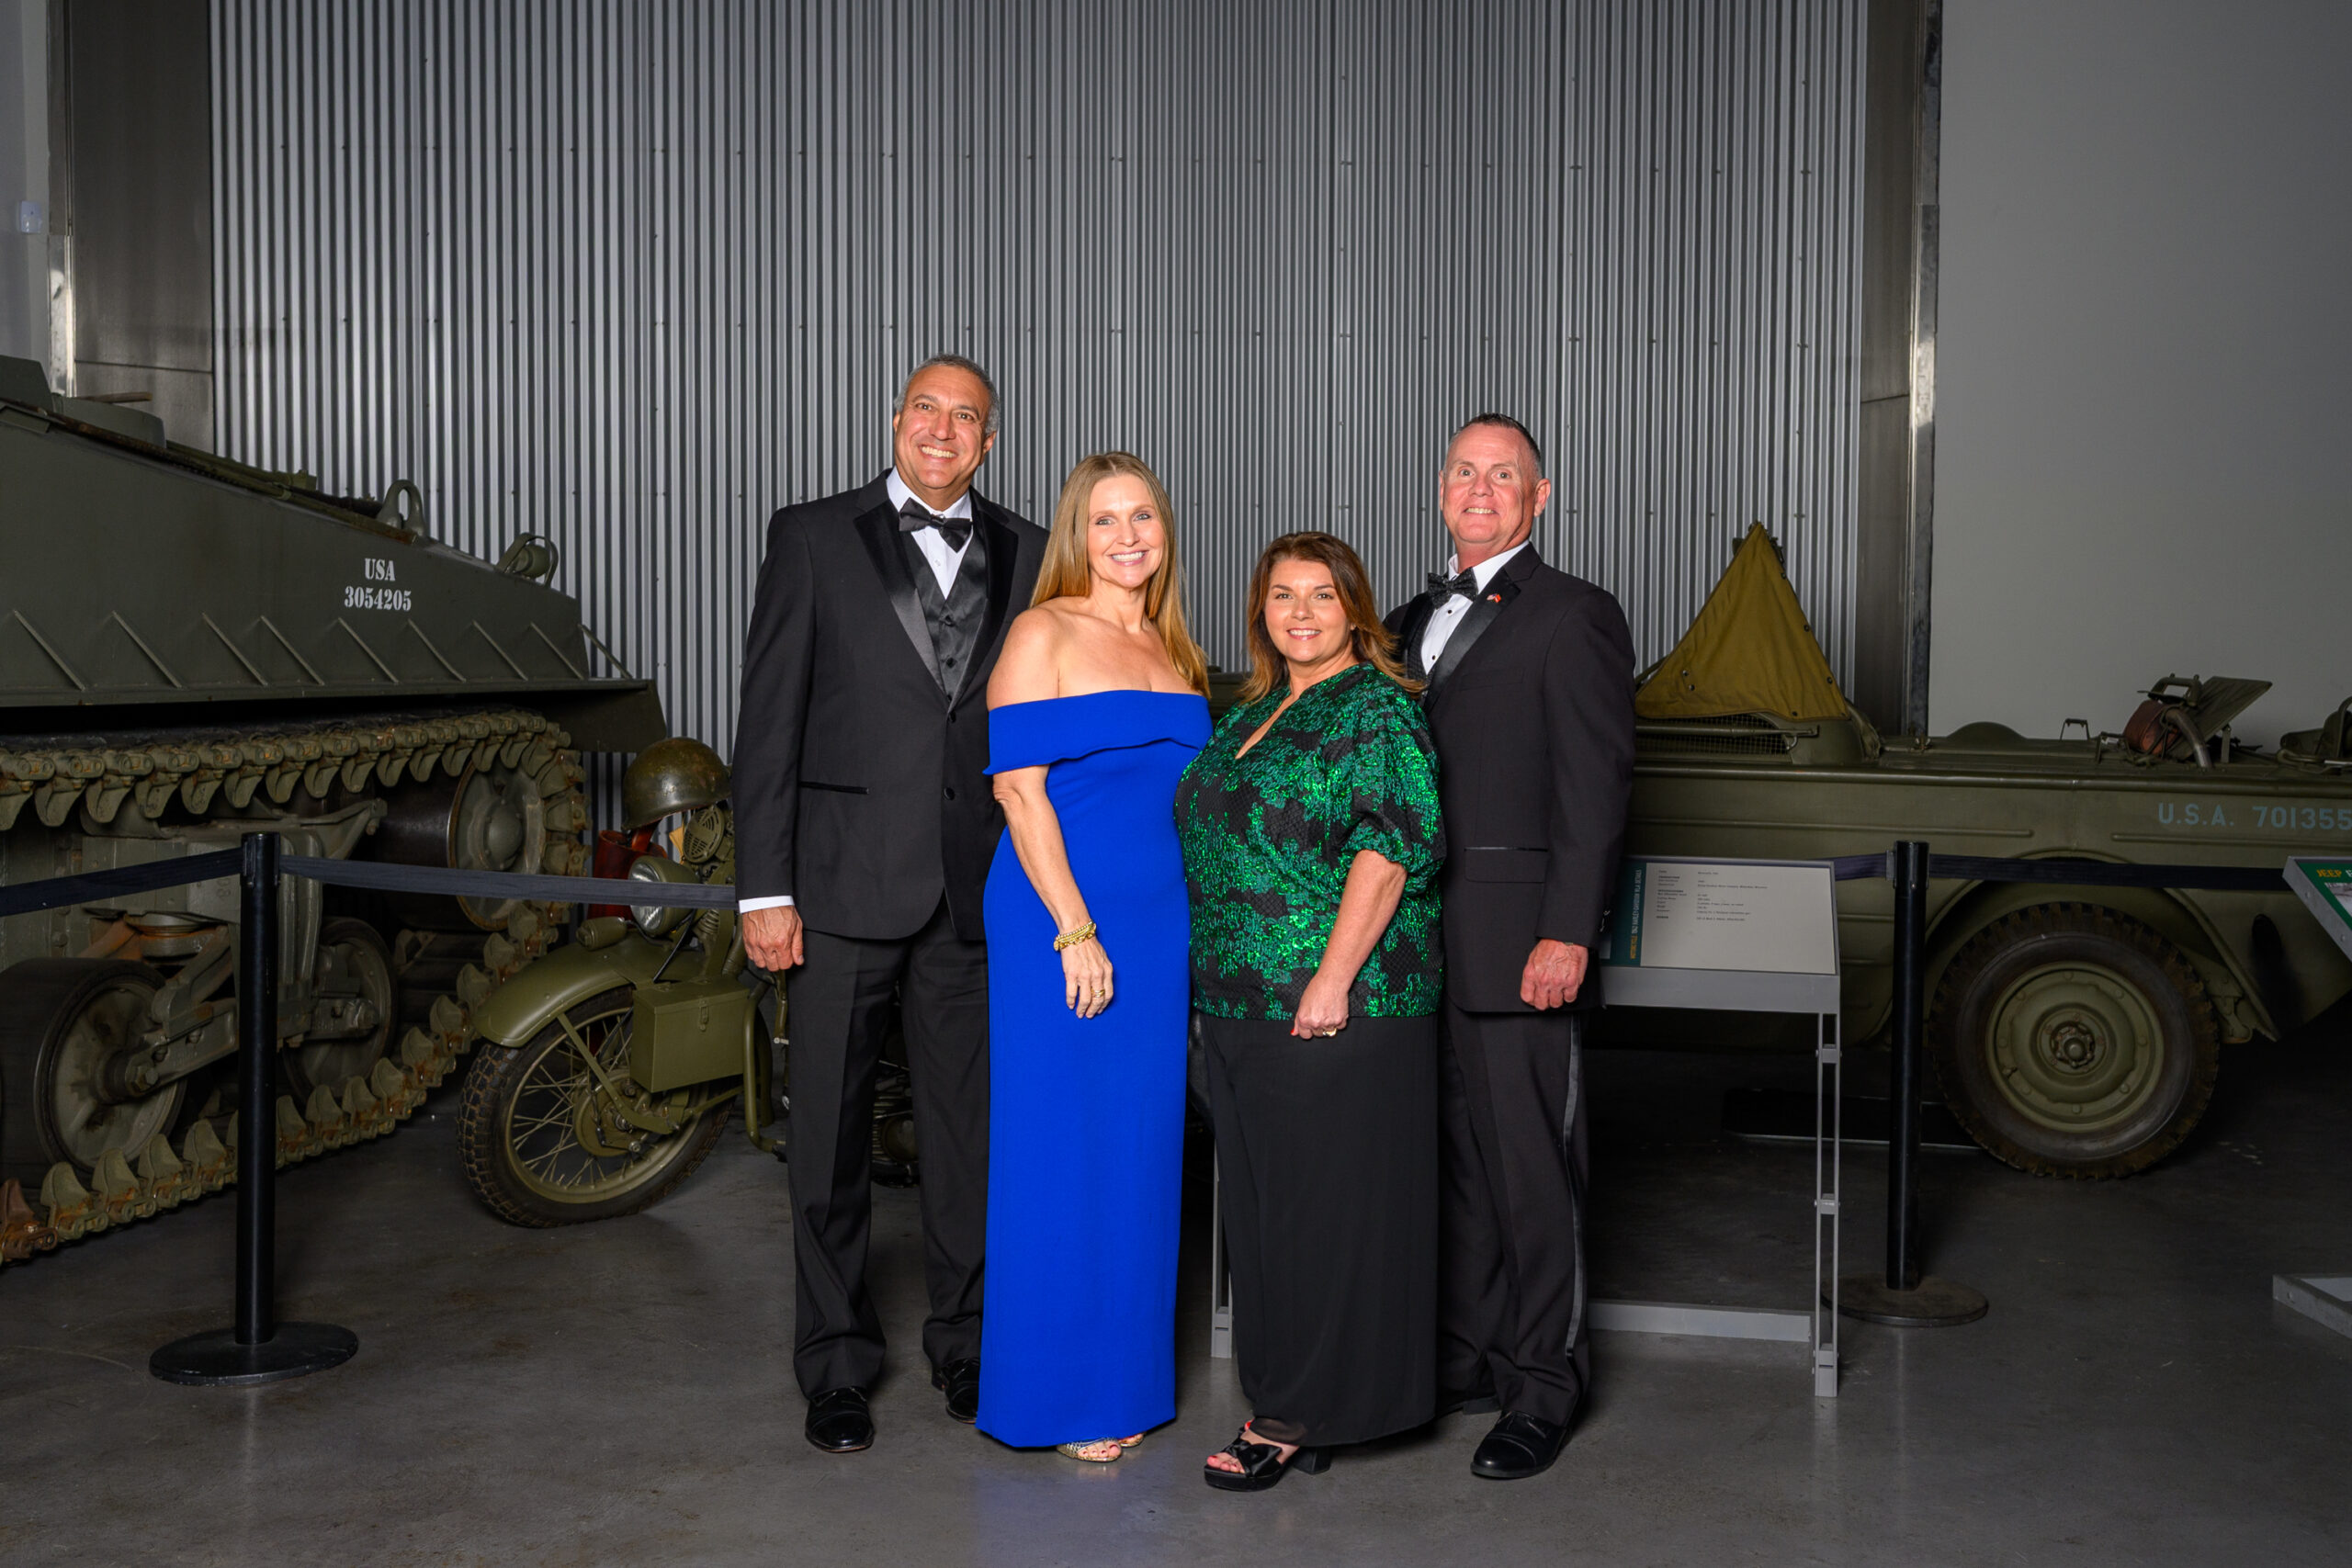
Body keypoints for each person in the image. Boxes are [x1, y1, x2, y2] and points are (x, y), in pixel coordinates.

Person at [734, 355, 1048, 1455]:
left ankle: (970, 1348)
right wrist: (764, 888)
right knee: (825, 1138)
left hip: (976, 896)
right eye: (927, 408)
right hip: (837, 890)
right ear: (897, 419)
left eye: (966, 417)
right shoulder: (812, 536)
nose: (942, 429)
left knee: (971, 1142)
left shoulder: (1033, 552)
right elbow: (768, 721)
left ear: (989, 442)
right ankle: (833, 1364)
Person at [1384, 412, 1634, 1482]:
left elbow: (1595, 786)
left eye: (1503, 474)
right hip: (1415, 949)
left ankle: (1542, 1387)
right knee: (1452, 1168)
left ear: (1540, 496)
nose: (1479, 490)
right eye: (1463, 472)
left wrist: (1566, 931)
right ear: (1440, 489)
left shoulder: (1575, 614)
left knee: (1532, 1176)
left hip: (1519, 943)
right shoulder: (1402, 619)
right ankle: (1470, 1359)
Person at [1175, 530, 1445, 1493]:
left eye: (1322, 595)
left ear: (1354, 611)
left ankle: (1290, 1417)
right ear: (1261, 611)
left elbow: (1391, 847)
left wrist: (1331, 978)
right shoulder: (1251, 709)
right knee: (1263, 1219)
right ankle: (1300, 1396)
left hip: (1334, 1005)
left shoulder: (1376, 708)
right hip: (1238, 1003)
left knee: (1320, 1219)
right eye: (1283, 594)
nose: (1300, 612)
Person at [977, 452, 1212, 1463]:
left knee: (1140, 1151)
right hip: (1060, 921)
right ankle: (1058, 1393)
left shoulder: (1173, 647)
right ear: (1077, 532)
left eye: (1143, 517)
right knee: (1062, 1146)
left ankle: (1123, 1378)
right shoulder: (1044, 632)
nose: (1126, 536)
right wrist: (1076, 930)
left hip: (1157, 929)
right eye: (1105, 519)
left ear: (1165, 530)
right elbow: (1018, 791)